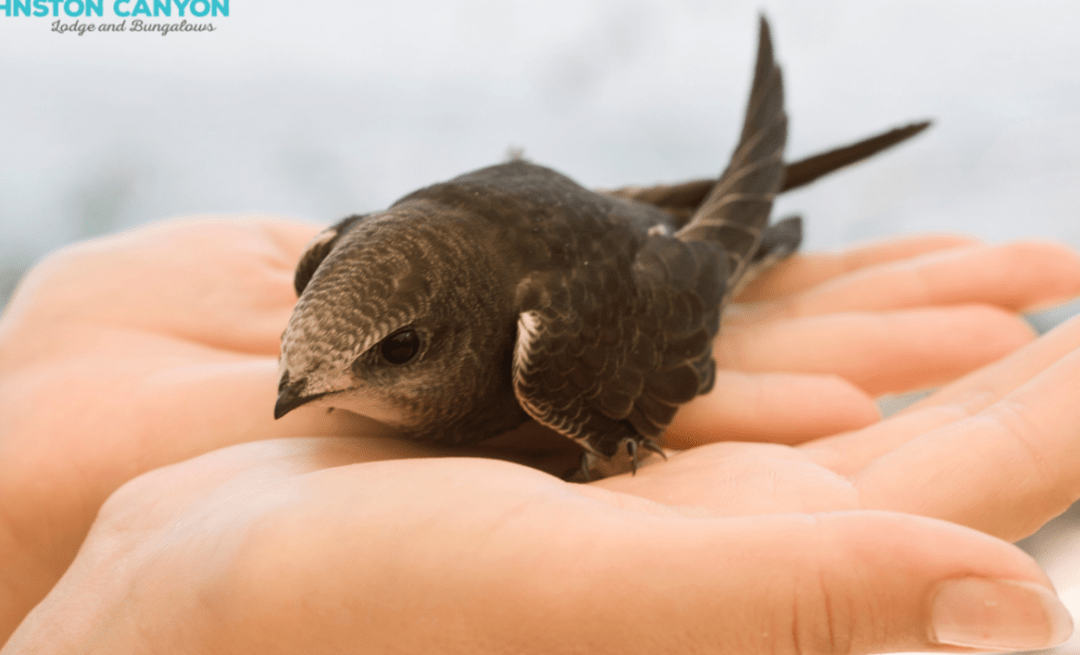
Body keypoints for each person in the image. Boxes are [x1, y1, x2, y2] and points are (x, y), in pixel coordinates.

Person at [2, 216, 1080, 654]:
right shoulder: (338, 308)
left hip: (624, 251)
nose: (299, 395)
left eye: (384, 356)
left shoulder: (550, 358)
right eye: (304, 356)